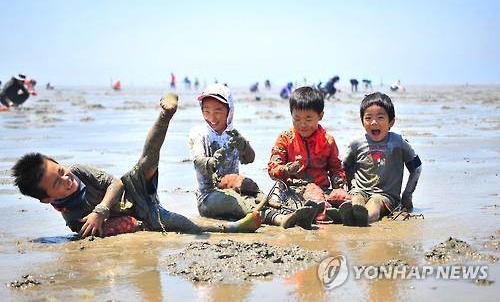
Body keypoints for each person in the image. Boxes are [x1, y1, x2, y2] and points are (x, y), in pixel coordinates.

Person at [11, 93, 261, 238]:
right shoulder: (74, 218)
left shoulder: (77, 171)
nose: (66, 179)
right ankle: (233, 227)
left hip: (132, 190)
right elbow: (119, 227)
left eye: (61, 172)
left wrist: (100, 210)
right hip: (141, 214)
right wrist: (126, 224)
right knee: (183, 224)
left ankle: (165, 115)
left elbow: (115, 183)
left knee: (148, 160)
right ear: (47, 199)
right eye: (57, 184)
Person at [188, 83, 316, 229]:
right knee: (239, 202)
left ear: (229, 111)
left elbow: (249, 158)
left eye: (218, 111)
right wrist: (211, 162)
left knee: (257, 194)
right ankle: (280, 219)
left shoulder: (233, 134)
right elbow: (198, 161)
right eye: (206, 111)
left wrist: (244, 146)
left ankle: (291, 212)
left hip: (234, 187)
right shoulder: (199, 133)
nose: (212, 117)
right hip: (208, 196)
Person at [267, 86, 347, 223]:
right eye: (296, 119)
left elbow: (336, 169)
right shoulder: (285, 138)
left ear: (320, 116)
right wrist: (286, 169)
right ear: (291, 114)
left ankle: (349, 211)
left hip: (322, 188)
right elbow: (272, 169)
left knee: (341, 195)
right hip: (293, 189)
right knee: (312, 193)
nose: (302, 124)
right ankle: (322, 213)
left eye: (308, 119)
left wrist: (339, 183)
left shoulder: (328, 141)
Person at [341, 92, 422, 226]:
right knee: (356, 197)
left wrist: (407, 194)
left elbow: (416, 167)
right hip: (360, 189)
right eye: (368, 118)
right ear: (362, 121)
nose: (374, 122)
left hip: (386, 195)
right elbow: (345, 167)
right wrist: (349, 187)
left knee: (375, 201)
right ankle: (351, 214)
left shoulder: (399, 142)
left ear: (391, 121)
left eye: (380, 117)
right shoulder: (356, 143)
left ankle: (364, 218)